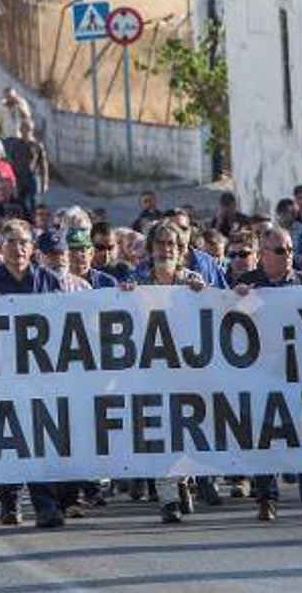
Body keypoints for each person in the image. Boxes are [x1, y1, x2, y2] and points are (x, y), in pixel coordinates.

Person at [0, 219, 66, 529]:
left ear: (33, 247)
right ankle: (9, 500)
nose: (18, 247)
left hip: (39, 375)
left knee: (39, 436)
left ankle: (45, 504)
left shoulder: (48, 281)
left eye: (24, 241)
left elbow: (66, 324)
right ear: (1, 248)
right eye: (11, 241)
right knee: (6, 437)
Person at [233, 228, 302, 522]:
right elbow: (226, 323)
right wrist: (235, 300)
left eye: (289, 249)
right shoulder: (246, 284)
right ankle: (266, 497)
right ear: (262, 255)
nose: (287, 255)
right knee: (263, 436)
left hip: (299, 373)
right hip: (259, 373)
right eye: (279, 251)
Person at [138, 221, 207, 522]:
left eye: (172, 245)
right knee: (161, 431)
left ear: (180, 251)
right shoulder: (137, 282)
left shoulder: (193, 282)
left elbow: (218, 313)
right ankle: (168, 499)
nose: (166, 250)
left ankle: (183, 482)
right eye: (160, 244)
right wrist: (123, 297)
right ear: (151, 249)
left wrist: (204, 295)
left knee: (188, 431)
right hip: (153, 371)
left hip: (189, 372)